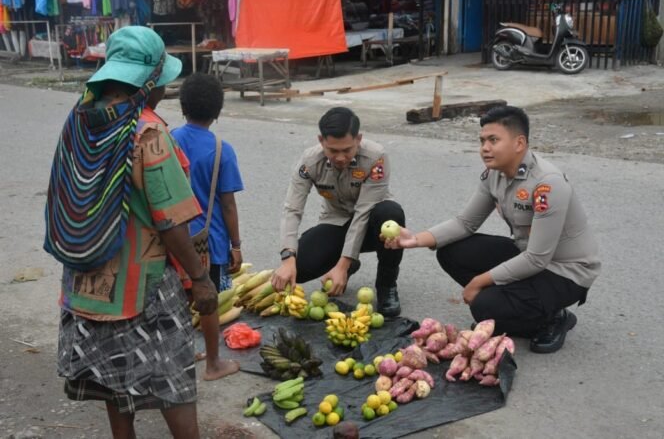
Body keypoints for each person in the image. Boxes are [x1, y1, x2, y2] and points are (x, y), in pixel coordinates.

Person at [44, 26, 217, 438]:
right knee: (173, 383)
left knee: (113, 379)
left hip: (86, 279)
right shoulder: (148, 133)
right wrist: (200, 278)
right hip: (142, 288)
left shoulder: (84, 118)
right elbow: (171, 220)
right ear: (150, 81)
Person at [385, 105, 601, 353]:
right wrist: (414, 238)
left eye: (493, 140)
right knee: (450, 251)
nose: (484, 148)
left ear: (519, 143)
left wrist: (479, 282)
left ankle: (551, 317)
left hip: (565, 270)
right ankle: (515, 304)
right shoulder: (494, 175)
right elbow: (465, 223)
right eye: (482, 141)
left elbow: (538, 259)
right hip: (528, 255)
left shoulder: (547, 184)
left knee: (483, 308)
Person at [271, 107, 405, 317]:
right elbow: (292, 209)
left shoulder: (376, 157)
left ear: (358, 139)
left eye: (347, 150)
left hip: (372, 224)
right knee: (301, 266)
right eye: (333, 151)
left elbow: (363, 213)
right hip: (337, 222)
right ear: (321, 140)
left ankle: (387, 285)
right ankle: (349, 264)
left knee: (392, 214)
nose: (341, 157)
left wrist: (343, 264)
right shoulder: (309, 161)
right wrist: (287, 258)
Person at [171, 73, 243, 381]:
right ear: (218, 112)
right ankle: (213, 363)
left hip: (173, 237)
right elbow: (228, 205)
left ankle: (182, 354)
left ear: (183, 106)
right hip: (207, 242)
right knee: (208, 300)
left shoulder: (168, 139)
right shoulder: (222, 149)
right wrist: (236, 245)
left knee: (179, 298)